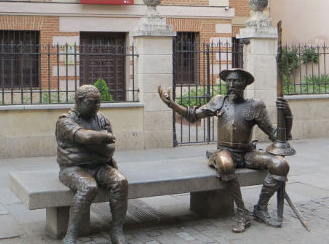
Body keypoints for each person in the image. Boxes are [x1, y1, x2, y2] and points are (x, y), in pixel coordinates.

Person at [158, 68, 293, 233]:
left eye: (235, 81)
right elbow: (192, 115)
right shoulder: (219, 102)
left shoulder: (255, 106)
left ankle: (260, 208)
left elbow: (276, 136)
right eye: (228, 81)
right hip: (225, 152)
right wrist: (171, 104)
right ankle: (242, 212)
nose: (230, 84)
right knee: (224, 162)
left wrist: (287, 115)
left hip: (247, 153)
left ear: (243, 84)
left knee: (280, 164)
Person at [56, 85, 128, 244]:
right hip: (73, 169)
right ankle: (71, 234)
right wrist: (102, 137)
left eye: (99, 102)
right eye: (92, 102)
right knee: (89, 186)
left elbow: (110, 150)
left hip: (100, 166)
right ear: (79, 101)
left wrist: (86, 149)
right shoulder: (65, 120)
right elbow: (84, 136)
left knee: (120, 182)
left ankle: (117, 230)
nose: (97, 106)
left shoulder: (102, 119)